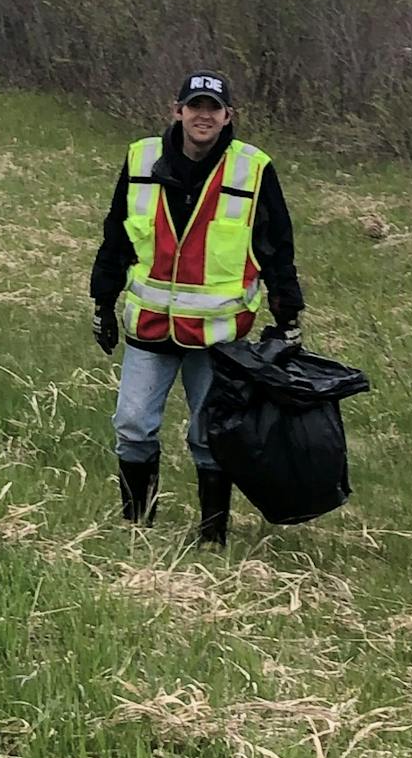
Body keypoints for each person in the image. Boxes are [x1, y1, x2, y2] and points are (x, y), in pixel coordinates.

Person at [89, 70, 305, 546]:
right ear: (178, 111)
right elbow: (117, 236)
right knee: (132, 425)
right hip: (149, 327)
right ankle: (137, 529)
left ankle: (212, 538)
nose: (203, 116)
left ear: (229, 116)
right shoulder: (142, 159)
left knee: (210, 437)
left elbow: (276, 247)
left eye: (213, 108)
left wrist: (287, 316)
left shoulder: (253, 169)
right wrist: (102, 301)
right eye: (195, 106)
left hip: (217, 336)